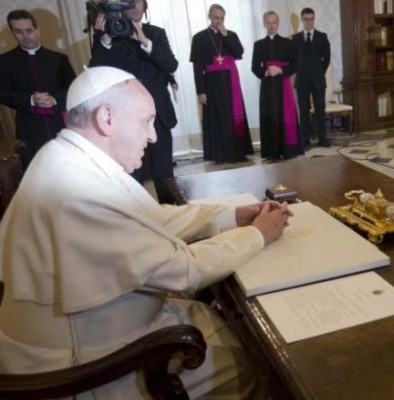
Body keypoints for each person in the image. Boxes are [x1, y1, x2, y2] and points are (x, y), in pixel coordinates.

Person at [0, 66, 293, 399]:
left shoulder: (67, 157)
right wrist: (259, 235)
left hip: (108, 327)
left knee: (227, 320)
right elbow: (185, 272)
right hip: (89, 367)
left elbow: (150, 219)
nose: (153, 136)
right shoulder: (79, 190)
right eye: (146, 121)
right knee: (259, 365)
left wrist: (231, 216)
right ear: (107, 118)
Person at [89, 0, 178, 204]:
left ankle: (173, 212)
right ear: (122, 8)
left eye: (139, 3)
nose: (135, 8)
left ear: (145, 8)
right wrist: (102, 40)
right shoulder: (109, 35)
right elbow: (99, 70)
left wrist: (145, 42)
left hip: (159, 114)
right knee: (131, 170)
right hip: (125, 116)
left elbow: (171, 64)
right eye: (131, 3)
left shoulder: (156, 33)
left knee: (164, 171)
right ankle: (135, 217)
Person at [0, 9, 75, 168]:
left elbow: (73, 89)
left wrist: (54, 99)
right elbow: (3, 93)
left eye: (29, 30)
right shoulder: (5, 61)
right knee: (37, 172)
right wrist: (31, 100)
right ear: (13, 32)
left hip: (60, 124)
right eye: (18, 32)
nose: (25, 36)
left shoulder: (59, 59)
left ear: (37, 30)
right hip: (29, 127)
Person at [190, 4, 254, 163]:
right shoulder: (199, 38)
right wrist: (201, 91)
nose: (219, 21)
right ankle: (219, 154)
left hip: (230, 81)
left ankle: (237, 151)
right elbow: (197, 67)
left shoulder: (230, 35)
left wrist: (225, 35)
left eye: (221, 18)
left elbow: (239, 53)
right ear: (209, 17)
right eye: (216, 18)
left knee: (233, 116)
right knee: (217, 117)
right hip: (211, 83)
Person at [251, 11, 303, 160]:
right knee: (269, 117)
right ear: (264, 24)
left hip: (283, 84)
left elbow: (295, 64)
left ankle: (288, 150)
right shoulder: (259, 45)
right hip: (267, 86)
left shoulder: (288, 43)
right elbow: (254, 67)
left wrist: (281, 69)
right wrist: (266, 72)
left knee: (285, 116)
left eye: (274, 22)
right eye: (268, 22)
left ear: (278, 24)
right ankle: (271, 151)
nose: (271, 25)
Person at [292, 7, 331, 148]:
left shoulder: (322, 36)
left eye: (311, 19)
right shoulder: (295, 38)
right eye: (306, 19)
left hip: (318, 80)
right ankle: (305, 139)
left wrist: (319, 72)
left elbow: (326, 58)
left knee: (320, 109)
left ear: (314, 19)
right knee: (303, 110)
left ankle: (322, 138)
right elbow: (293, 59)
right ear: (302, 20)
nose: (309, 22)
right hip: (302, 80)